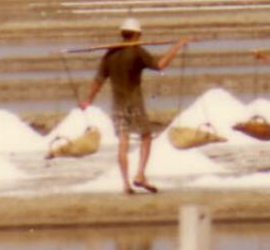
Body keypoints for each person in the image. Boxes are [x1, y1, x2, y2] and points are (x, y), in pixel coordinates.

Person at [79, 17, 190, 195]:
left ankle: (125, 184)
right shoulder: (137, 52)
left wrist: (88, 100)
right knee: (146, 136)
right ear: (137, 34)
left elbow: (98, 81)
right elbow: (160, 66)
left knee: (123, 141)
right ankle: (140, 175)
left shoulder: (110, 54)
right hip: (135, 102)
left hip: (118, 104)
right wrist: (177, 47)